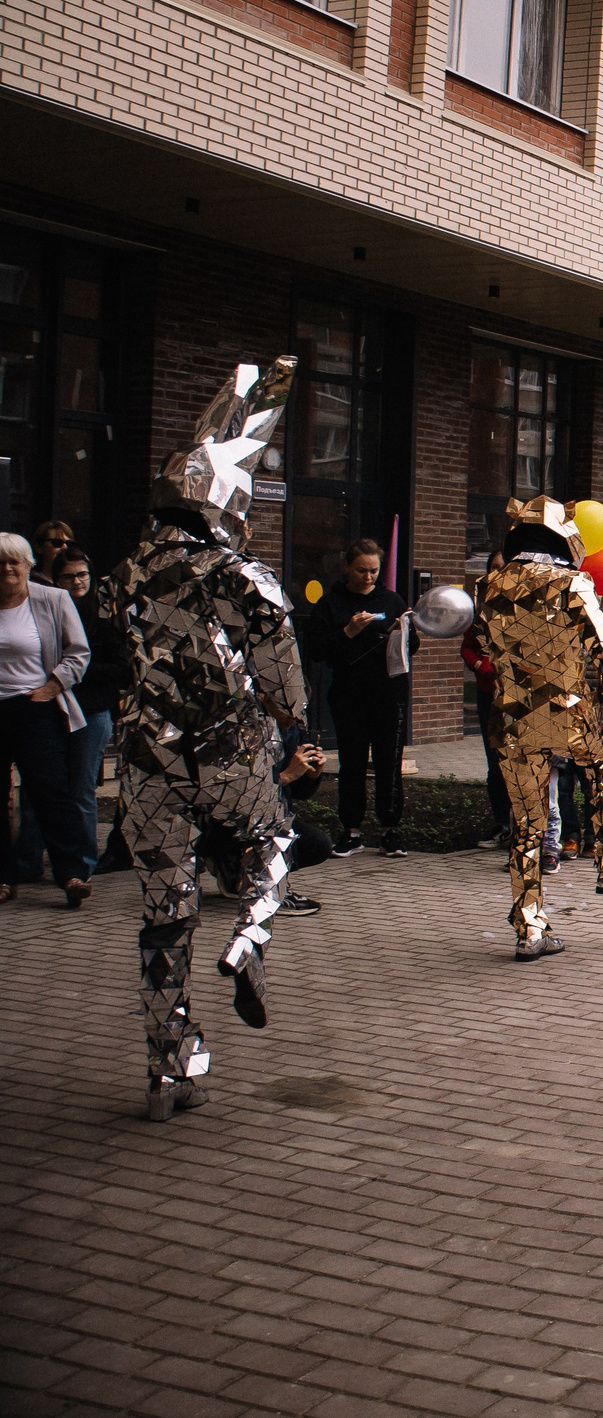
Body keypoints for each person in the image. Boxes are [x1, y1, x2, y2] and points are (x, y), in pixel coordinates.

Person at [105, 360, 304, 1117]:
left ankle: (169, 1062)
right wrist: (292, 721)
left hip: (146, 753)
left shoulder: (127, 573)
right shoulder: (242, 575)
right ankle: (249, 938)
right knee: (272, 846)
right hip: (228, 746)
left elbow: (114, 643)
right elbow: (282, 675)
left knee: (165, 906)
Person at [471, 497, 603, 953]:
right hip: (568, 709)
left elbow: (489, 649)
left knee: (528, 827)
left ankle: (529, 929)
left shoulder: (486, 587)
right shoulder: (573, 582)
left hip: (512, 716)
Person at [14, 545, 120, 891]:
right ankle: (27, 862)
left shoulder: (104, 615)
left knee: (81, 790)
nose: (77, 582)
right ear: (55, 578)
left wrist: (75, 673)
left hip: (90, 711)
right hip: (48, 708)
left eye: (82, 575)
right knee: (38, 788)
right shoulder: (41, 608)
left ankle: (82, 865)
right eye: (68, 576)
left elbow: (121, 668)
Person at [0, 531, 93, 908]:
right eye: (0, 562)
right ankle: (3, 880)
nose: (7, 568)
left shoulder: (53, 600)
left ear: (28, 565)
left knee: (51, 792)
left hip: (35, 707)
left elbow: (78, 652)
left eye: (14, 562)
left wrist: (51, 687)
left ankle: (71, 874)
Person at [313, 538, 413, 858]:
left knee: (388, 761)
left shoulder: (391, 599)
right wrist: (347, 633)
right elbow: (316, 649)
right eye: (361, 571)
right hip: (348, 693)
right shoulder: (331, 603)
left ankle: (389, 830)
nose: (368, 577)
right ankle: (352, 830)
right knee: (352, 762)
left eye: (374, 571)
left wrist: (405, 632)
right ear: (347, 567)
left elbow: (410, 649)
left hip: (388, 693)